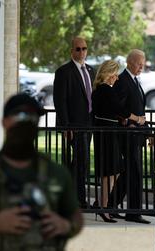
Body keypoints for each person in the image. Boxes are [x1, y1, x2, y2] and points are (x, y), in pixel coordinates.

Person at [0, 93, 83, 250]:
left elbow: (75, 215)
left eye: (33, 117)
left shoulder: (55, 173)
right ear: (4, 122)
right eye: (20, 116)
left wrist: (65, 225)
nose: (27, 122)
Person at [92, 60, 145, 223]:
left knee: (113, 171)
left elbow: (112, 110)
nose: (116, 78)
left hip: (108, 131)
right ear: (108, 75)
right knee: (111, 171)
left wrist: (121, 119)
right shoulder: (105, 90)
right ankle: (103, 207)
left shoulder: (101, 90)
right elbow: (119, 108)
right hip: (107, 134)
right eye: (114, 75)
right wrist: (137, 118)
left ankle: (103, 205)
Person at [107, 49, 150, 224]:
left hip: (137, 134)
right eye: (139, 63)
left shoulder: (134, 80)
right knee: (135, 172)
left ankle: (111, 205)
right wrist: (128, 120)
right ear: (129, 62)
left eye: (143, 63)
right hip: (127, 135)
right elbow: (119, 108)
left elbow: (139, 109)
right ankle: (133, 212)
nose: (142, 66)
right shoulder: (123, 81)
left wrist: (146, 131)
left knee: (127, 172)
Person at [53, 37, 96, 208]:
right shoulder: (64, 72)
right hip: (74, 125)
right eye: (77, 49)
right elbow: (60, 101)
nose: (81, 52)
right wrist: (66, 126)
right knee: (82, 159)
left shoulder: (91, 71)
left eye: (84, 48)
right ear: (71, 51)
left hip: (89, 124)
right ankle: (79, 199)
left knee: (80, 161)